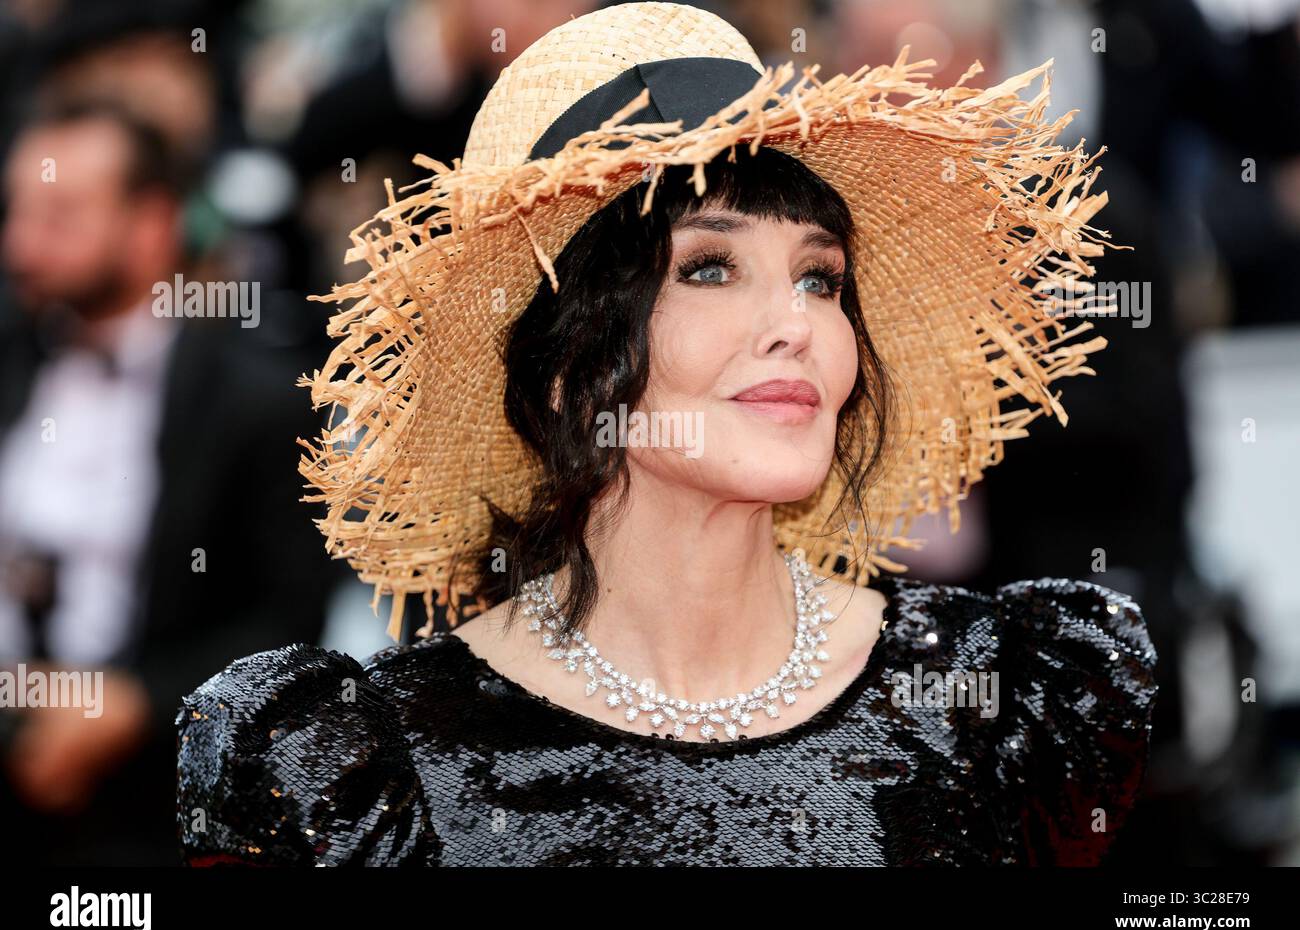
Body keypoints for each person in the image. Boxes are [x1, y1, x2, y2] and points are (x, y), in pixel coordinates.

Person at [175, 2, 1157, 866]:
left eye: (820, 278)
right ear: (564, 360)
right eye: (710, 268)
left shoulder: (993, 702)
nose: (801, 324)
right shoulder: (373, 765)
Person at [0, 99, 336, 863]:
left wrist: (137, 707)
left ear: (152, 227)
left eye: (58, 215)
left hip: (152, 791)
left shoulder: (254, 401)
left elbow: (290, 626)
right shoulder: (12, 356)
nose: (18, 244)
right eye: (15, 210)